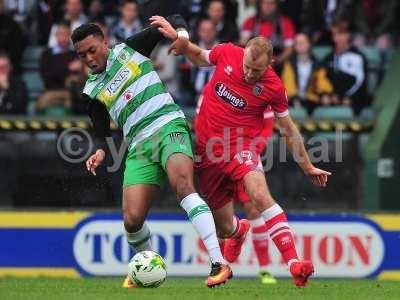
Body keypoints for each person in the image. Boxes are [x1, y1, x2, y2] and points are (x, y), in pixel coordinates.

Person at [152, 16, 332, 287]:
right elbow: (202, 57)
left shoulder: (273, 87)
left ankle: (295, 263)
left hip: (240, 147)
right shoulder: (228, 52)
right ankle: (239, 232)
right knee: (225, 227)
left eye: (256, 71)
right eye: (247, 67)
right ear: (243, 54)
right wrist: (184, 46)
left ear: (269, 65)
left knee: (259, 195)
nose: (249, 74)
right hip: (207, 150)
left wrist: (307, 166)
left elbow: (288, 129)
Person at [71, 16, 232, 289]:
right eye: (81, 54)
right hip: (138, 146)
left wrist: (179, 33)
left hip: (168, 125)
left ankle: (219, 263)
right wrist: (100, 150)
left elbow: (175, 20)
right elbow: (101, 127)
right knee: (132, 220)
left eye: (92, 50)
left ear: (105, 43)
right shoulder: (90, 90)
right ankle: (146, 265)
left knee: (183, 187)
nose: (88, 57)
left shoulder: (130, 49)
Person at [281, 33, 333, 113]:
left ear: (309, 44)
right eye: (297, 42)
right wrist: (295, 98)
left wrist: (324, 94)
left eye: (303, 42)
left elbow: (322, 81)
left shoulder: (318, 64)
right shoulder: (289, 64)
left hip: (311, 99)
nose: (300, 44)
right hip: (292, 99)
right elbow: (288, 83)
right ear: (294, 46)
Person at [324, 21, 368, 114]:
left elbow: (361, 82)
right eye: (334, 35)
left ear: (348, 35)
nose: (336, 38)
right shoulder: (328, 57)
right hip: (332, 100)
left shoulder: (358, 57)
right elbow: (324, 79)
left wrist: (347, 97)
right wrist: (330, 95)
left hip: (352, 101)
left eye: (340, 34)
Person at [38, 21, 80, 113]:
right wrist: (68, 69)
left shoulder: (76, 54)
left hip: (71, 93)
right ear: (56, 36)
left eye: (67, 34)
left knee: (74, 102)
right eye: (61, 34)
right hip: (51, 91)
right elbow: (46, 76)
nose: (64, 37)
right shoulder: (47, 54)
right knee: (41, 103)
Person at [240, 0, 295, 65]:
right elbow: (243, 44)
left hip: (277, 65)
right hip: (253, 63)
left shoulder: (286, 23)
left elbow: (289, 49)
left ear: (277, 5)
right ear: (260, 4)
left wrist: (276, 61)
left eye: (272, 3)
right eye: (265, 3)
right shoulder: (250, 22)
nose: (268, 6)